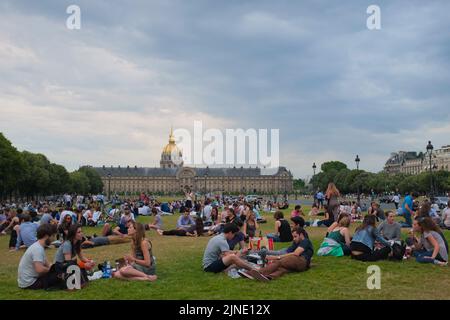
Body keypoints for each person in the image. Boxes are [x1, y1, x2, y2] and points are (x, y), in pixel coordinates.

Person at [242, 227, 313, 281]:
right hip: (301, 265)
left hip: (301, 261)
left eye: (295, 236)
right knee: (282, 269)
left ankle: (256, 273)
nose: (294, 239)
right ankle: (269, 277)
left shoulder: (305, 241)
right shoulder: (298, 242)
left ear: (301, 235)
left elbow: (296, 253)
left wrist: (277, 257)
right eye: (293, 237)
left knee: (278, 262)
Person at [17, 224, 59, 289]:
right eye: (53, 236)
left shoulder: (38, 246)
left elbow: (47, 263)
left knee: (57, 274)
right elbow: (40, 269)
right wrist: (51, 271)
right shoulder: (38, 249)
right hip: (30, 283)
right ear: (47, 236)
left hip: (26, 281)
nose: (53, 239)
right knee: (57, 278)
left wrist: (55, 268)